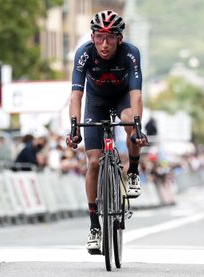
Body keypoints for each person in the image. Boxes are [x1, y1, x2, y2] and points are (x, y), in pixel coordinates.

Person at [65, 10, 148, 253]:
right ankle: (94, 227)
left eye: (110, 38)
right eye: (100, 37)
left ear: (119, 39)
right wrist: (73, 127)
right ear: (92, 37)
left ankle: (132, 171)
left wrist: (138, 128)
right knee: (93, 162)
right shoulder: (84, 53)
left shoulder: (130, 53)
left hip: (123, 98)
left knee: (130, 122)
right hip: (96, 101)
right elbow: (75, 95)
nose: (104, 44)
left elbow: (137, 95)